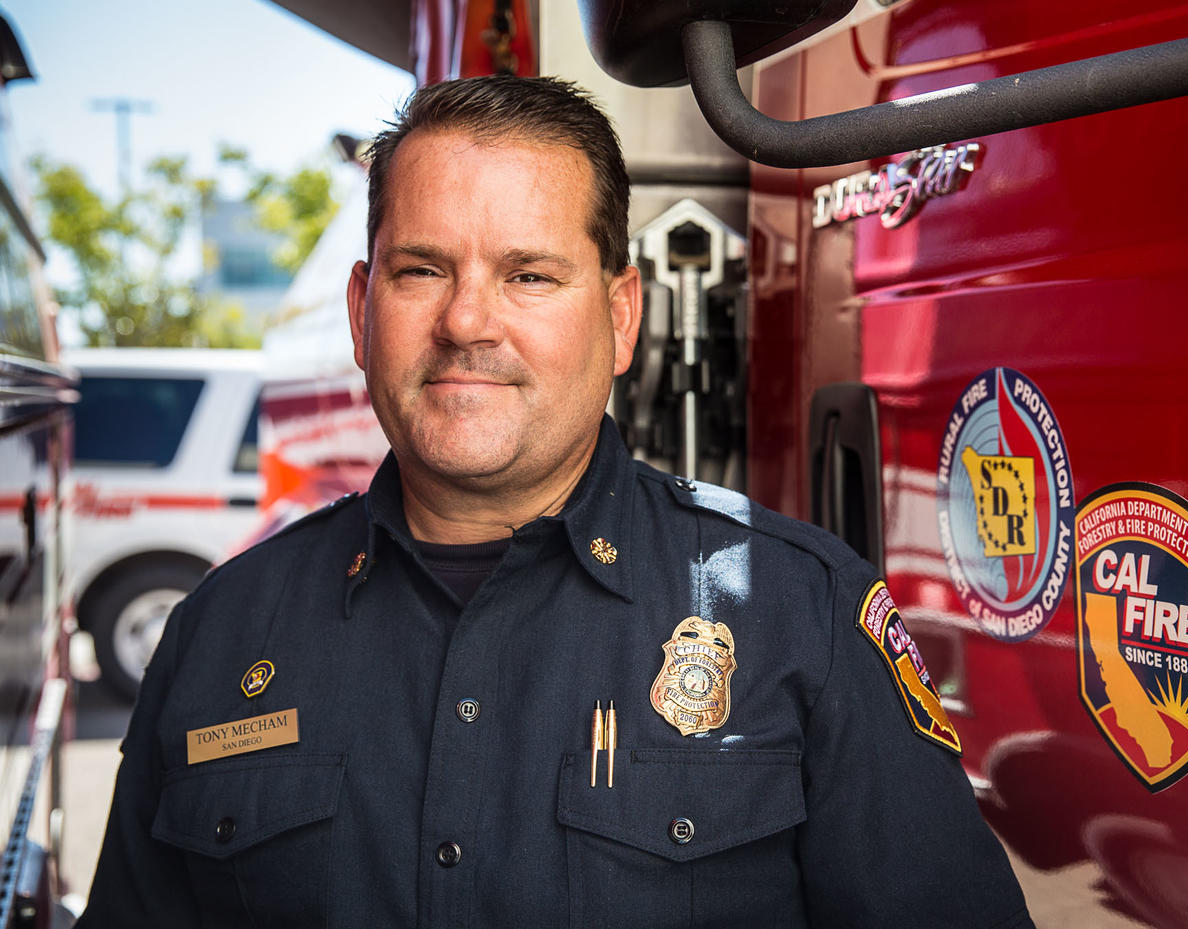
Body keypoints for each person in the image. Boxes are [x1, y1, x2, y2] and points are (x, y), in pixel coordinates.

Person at [79, 75, 1034, 928]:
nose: (465, 321)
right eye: (422, 271)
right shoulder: (219, 633)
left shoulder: (804, 615)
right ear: (362, 312)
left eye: (529, 275)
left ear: (621, 316)